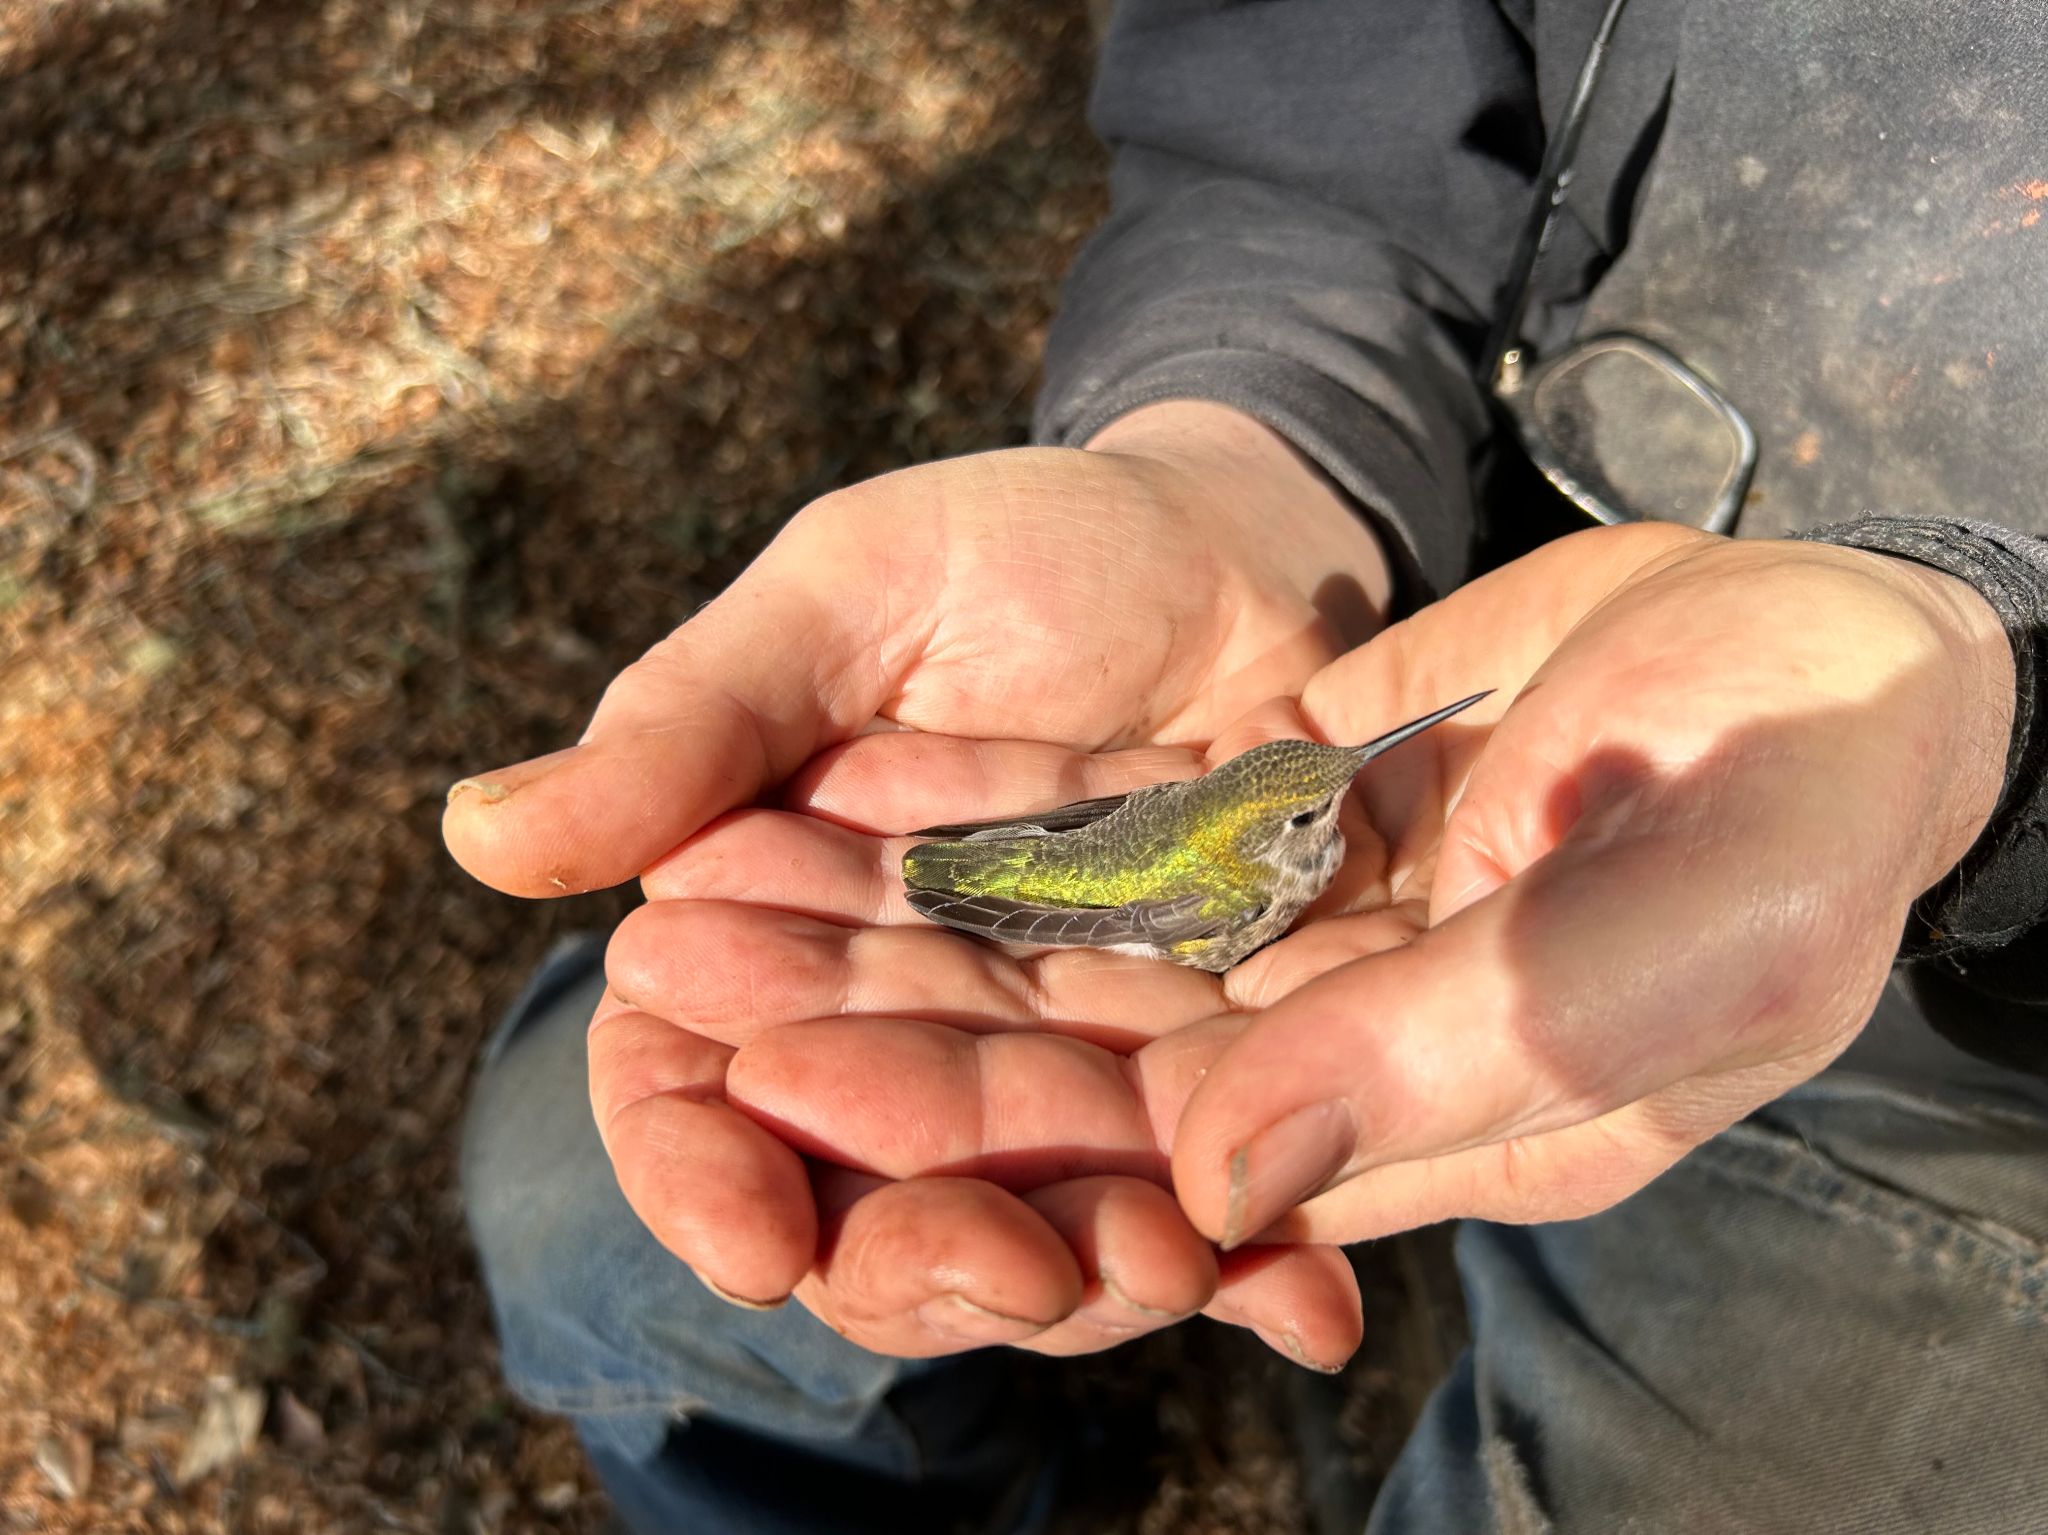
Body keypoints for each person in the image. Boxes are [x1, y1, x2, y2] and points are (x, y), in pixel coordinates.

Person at [447, 0, 2048, 1529]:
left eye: (1311, 798)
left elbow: (1211, 869)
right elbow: (1314, 111)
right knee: (577, 1203)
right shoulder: (1241, 856)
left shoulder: (1266, 846)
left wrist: (1983, 713)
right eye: (1307, 794)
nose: (1330, 790)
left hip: (1977, 1093)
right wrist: (1247, 454)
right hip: (1404, 637)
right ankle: (981, 1466)